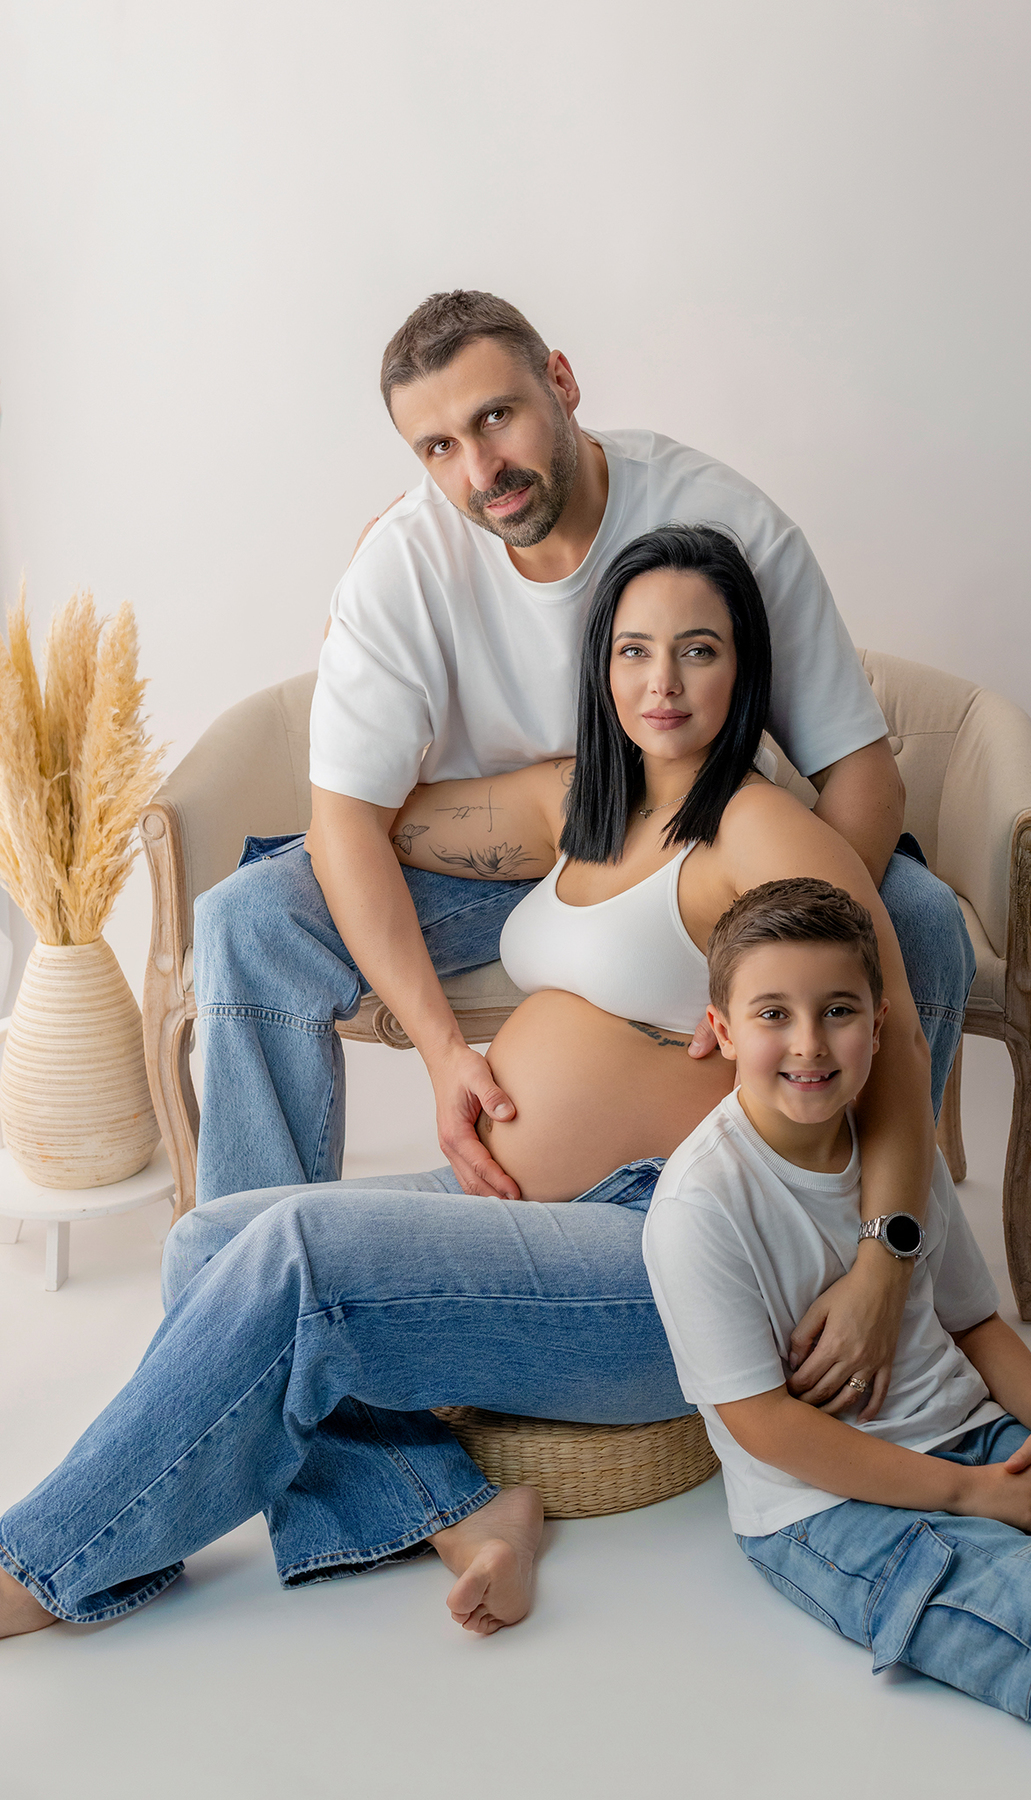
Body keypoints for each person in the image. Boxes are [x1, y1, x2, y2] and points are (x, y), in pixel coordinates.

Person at [1, 527, 933, 1642]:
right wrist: (355, 643)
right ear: (602, 667)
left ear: (745, 672)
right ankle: (458, 1507)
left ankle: (40, 1567)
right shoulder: (581, 806)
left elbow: (897, 1041)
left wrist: (885, 1261)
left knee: (298, 1259)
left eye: (699, 650)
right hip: (533, 1213)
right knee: (205, 1245)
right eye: (634, 652)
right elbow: (364, 814)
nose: (664, 683)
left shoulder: (758, 830)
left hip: (670, 1251)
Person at [193, 287, 973, 1223]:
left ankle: (859, 1221)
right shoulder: (400, 567)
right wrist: (444, 1053)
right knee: (249, 919)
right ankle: (248, 1258)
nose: (481, 469)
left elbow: (862, 773)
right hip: (502, 854)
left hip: (694, 854)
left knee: (918, 918)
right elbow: (346, 824)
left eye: (496, 417)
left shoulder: (719, 518)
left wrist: (758, 965)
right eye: (438, 447)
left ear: (561, 382)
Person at [642, 878, 1031, 1800]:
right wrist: (970, 1496)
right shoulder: (700, 1208)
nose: (810, 1043)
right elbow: (764, 1426)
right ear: (723, 1030)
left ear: (879, 1021)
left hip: (980, 1437)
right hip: (834, 1511)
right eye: (774, 1014)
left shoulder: (897, 1153)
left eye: (838, 1011)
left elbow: (972, 1320)